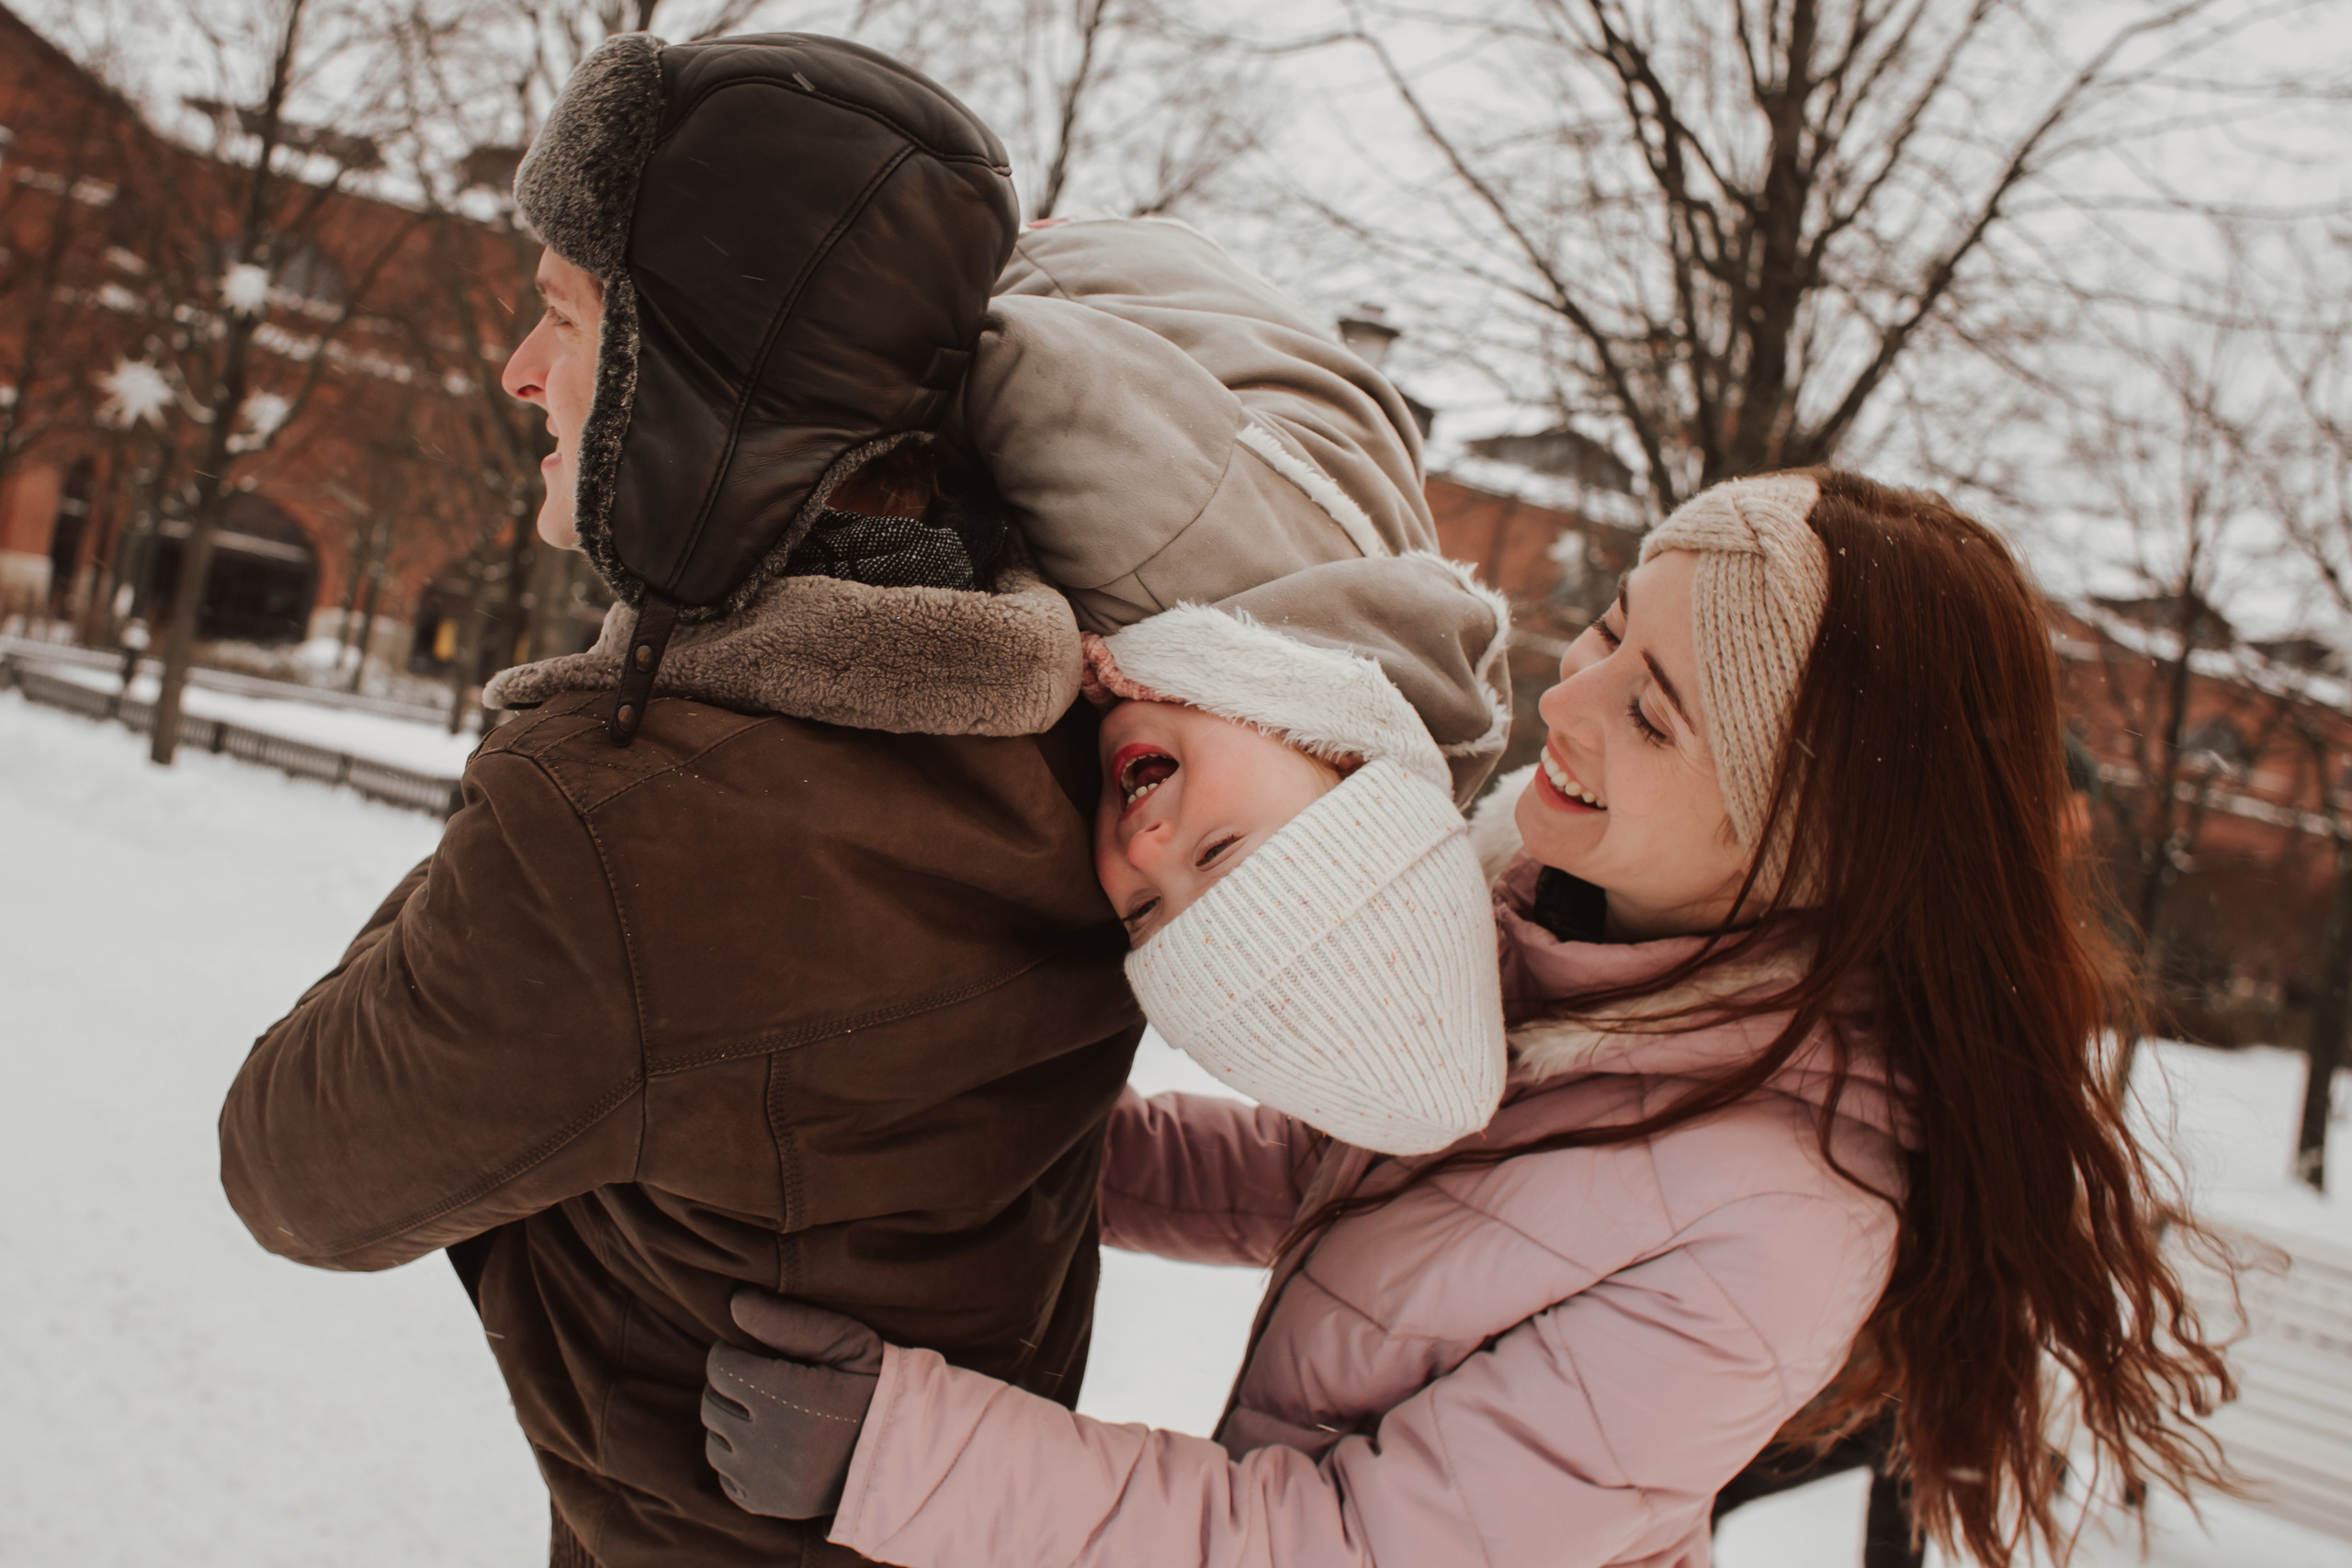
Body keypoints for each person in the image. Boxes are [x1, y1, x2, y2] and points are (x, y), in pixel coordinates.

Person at [218, 37, 1505, 1568]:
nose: (514, 369)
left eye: (562, 315)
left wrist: (577, 741)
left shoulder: (629, 832)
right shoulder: (1079, 721)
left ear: (682, 389)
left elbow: (293, 1167)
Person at [696, 471, 2235, 1568]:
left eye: (1652, 712)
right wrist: (993, 1133)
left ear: (1802, 840)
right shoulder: (1551, 908)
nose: (1569, 705)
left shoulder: (1781, 1226)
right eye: (1612, 631)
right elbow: (1343, 1182)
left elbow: (1361, 1547)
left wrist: (904, 1456)